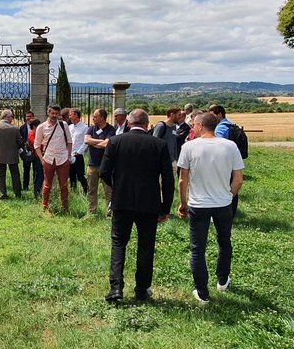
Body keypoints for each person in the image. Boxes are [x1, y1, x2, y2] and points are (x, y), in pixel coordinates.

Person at [100, 108, 175, 303]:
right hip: (149, 203)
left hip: (122, 201)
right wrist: (165, 208)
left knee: (118, 243)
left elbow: (104, 172)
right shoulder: (159, 144)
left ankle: (116, 287)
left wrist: (118, 188)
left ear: (129, 122)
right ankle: (142, 289)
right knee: (146, 246)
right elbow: (168, 179)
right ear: (147, 124)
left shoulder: (115, 141)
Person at [179, 112, 245, 302]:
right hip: (223, 203)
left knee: (197, 248)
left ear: (200, 126)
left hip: (198, 204)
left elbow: (183, 179)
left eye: (194, 124)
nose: (192, 127)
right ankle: (222, 280)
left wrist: (183, 203)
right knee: (224, 242)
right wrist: (229, 195)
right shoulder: (230, 146)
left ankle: (202, 292)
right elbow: (238, 179)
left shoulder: (189, 146)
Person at [36, 103, 72, 215]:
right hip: (48, 159)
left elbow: (69, 141)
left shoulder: (63, 125)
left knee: (64, 185)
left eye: (56, 113)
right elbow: (36, 145)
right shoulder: (41, 127)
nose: (54, 115)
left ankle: (64, 208)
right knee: (47, 185)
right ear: (48, 113)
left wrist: (68, 157)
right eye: (52, 113)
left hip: (63, 159)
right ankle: (45, 207)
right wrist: (42, 160)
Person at [84, 108, 115, 217]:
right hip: (92, 165)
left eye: (95, 116)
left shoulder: (111, 130)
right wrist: (101, 142)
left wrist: (93, 143)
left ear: (102, 118)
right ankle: (92, 212)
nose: (93, 118)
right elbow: (86, 140)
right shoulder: (91, 128)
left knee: (108, 191)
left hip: (106, 166)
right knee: (91, 190)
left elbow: (107, 144)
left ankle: (110, 213)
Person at [0, 109, 24, 199]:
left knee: (1, 175)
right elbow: (20, 142)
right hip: (12, 155)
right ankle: (18, 194)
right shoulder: (15, 128)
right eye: (12, 117)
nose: (12, 118)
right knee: (15, 175)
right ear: (7, 117)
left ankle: (2, 194)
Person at [152, 106, 182, 175]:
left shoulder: (174, 127)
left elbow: (174, 143)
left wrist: (175, 159)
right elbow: (154, 143)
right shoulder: (161, 126)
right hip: (161, 161)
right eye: (179, 114)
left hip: (172, 161)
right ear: (172, 114)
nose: (180, 117)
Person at [68, 108, 89, 195]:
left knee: (80, 175)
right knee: (71, 175)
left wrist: (79, 152)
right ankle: (73, 192)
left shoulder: (84, 127)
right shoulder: (70, 127)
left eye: (70, 115)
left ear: (76, 115)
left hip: (78, 155)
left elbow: (86, 141)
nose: (69, 117)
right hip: (69, 154)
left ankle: (86, 191)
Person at [19, 110, 37, 190]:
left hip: (35, 151)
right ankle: (25, 186)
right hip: (26, 152)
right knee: (26, 169)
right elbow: (19, 139)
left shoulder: (37, 127)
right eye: (27, 117)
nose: (28, 118)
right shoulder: (22, 128)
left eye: (30, 116)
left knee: (36, 169)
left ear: (33, 117)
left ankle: (36, 185)